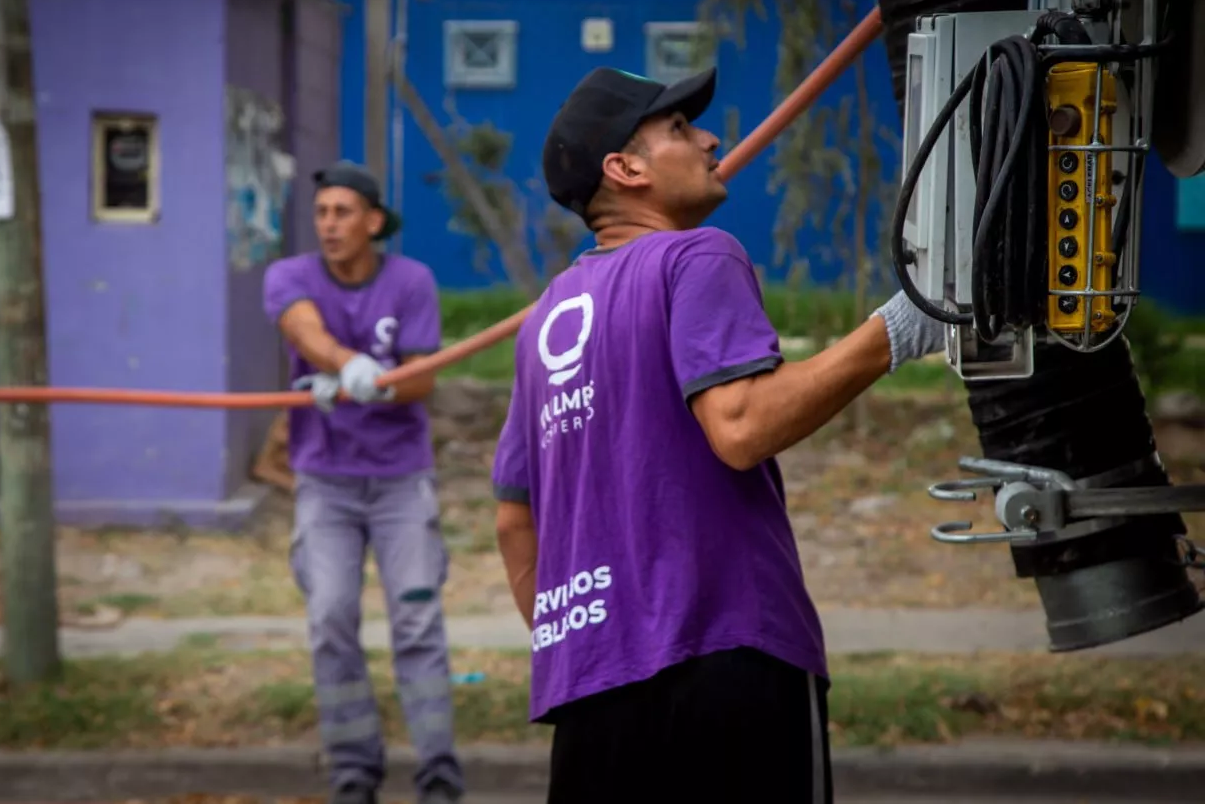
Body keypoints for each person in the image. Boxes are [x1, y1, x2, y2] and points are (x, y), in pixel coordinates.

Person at [489, 66, 947, 802]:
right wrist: (896, 331)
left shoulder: (546, 315)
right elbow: (739, 425)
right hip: (730, 654)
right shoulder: (695, 255)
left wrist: (578, 635)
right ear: (625, 168)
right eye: (677, 128)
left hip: (591, 688)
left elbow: (516, 516)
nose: (709, 138)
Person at [263, 160, 464, 804]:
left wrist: (371, 384)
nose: (328, 224)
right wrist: (346, 365)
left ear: (374, 221)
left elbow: (423, 377)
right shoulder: (289, 276)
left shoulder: (411, 282)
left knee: (416, 621)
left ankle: (437, 773)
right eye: (321, 213)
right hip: (325, 481)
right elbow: (303, 328)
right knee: (330, 619)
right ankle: (354, 772)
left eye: (343, 212)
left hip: (401, 481)